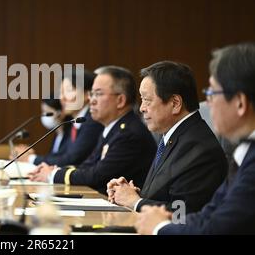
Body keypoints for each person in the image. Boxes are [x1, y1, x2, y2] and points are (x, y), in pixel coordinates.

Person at [135, 42, 255, 234]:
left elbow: (216, 228)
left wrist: (158, 226)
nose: (208, 103)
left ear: (240, 103)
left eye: (212, 93)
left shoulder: (205, 149)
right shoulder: (244, 152)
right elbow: (210, 214)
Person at [107, 61, 228, 214]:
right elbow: (165, 194)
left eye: (147, 100)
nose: (142, 108)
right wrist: (129, 193)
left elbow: (182, 213)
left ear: (175, 103)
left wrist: (136, 202)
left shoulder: (199, 149)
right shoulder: (173, 136)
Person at [29, 66, 157, 194]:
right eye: (92, 94)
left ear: (120, 100)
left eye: (98, 94)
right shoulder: (113, 128)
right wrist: (54, 170)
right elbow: (89, 165)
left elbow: (96, 175)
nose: (91, 100)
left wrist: (53, 175)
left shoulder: (129, 133)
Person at [13, 69, 103, 167]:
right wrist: (32, 156)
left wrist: (31, 158)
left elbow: (71, 159)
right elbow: (62, 155)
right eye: (61, 92)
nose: (62, 98)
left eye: (69, 90)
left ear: (87, 94)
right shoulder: (74, 122)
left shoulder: (93, 121)